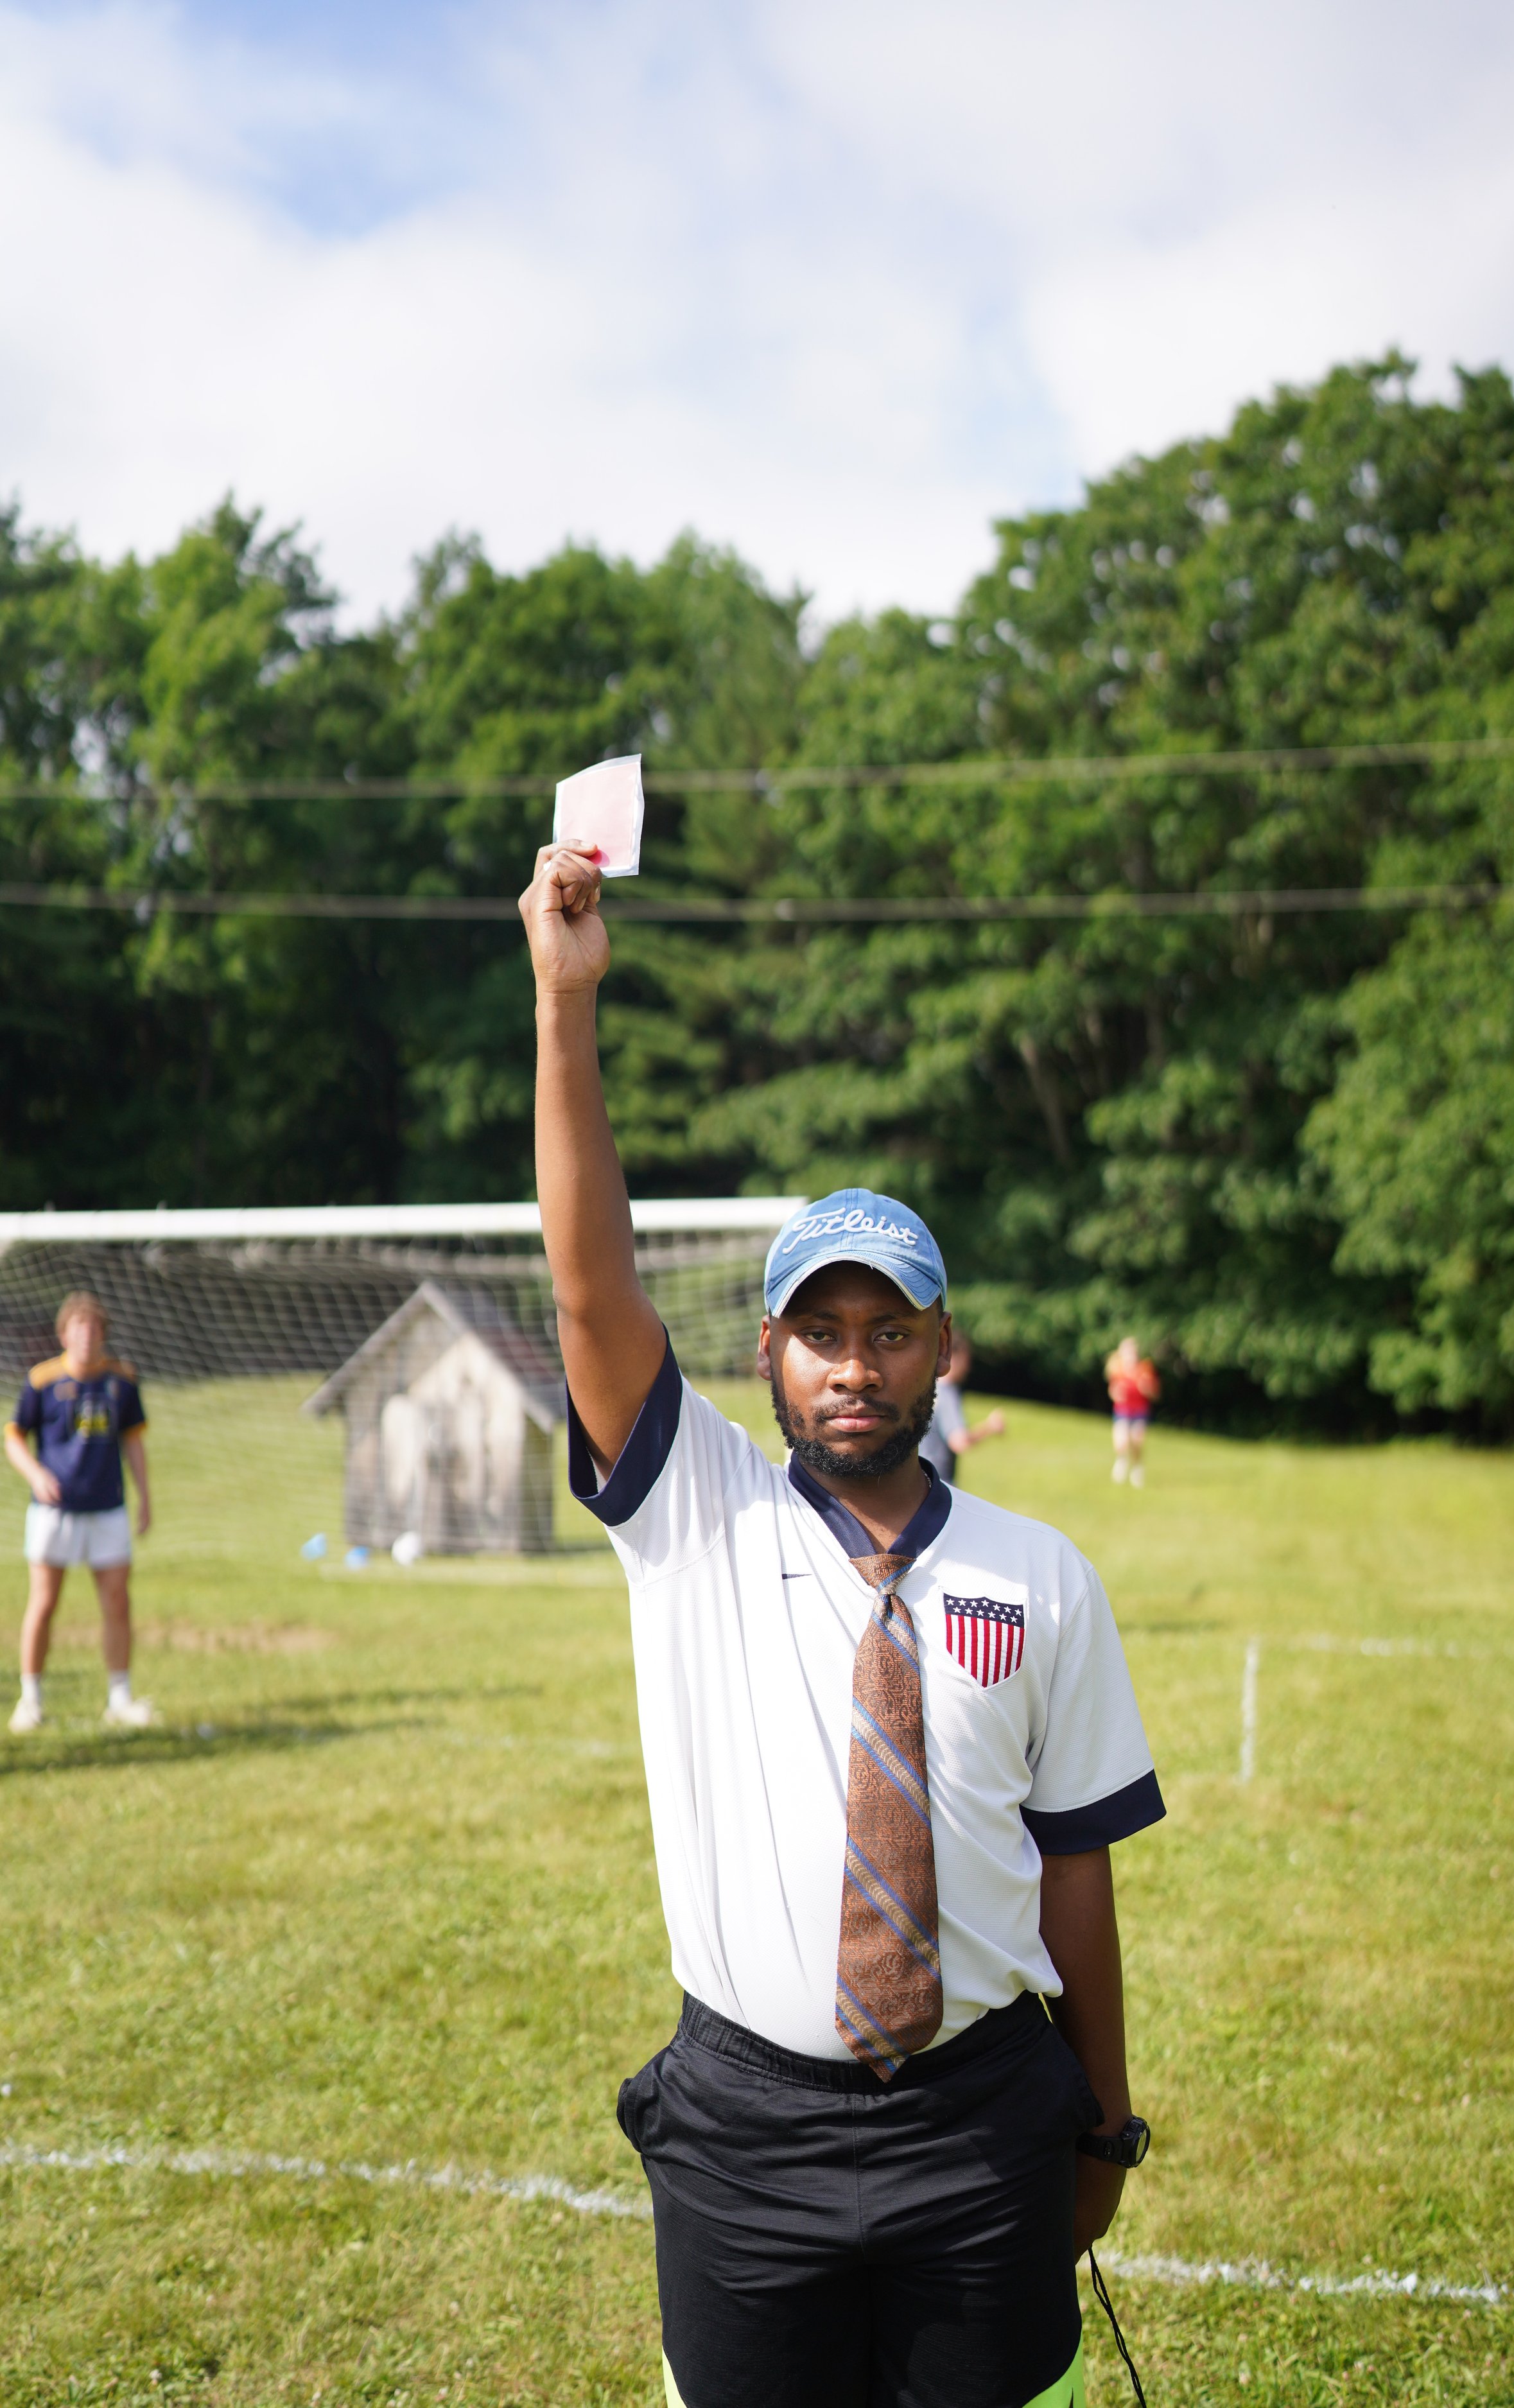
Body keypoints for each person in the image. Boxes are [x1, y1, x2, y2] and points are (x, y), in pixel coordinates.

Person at [521, 841, 1165, 2408]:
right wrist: (565, 1012)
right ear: (769, 1353)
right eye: (820, 1331)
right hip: (750, 2121)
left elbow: (1071, 1864)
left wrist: (1102, 2111)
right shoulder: (699, 1514)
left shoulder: (1042, 1571)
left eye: (889, 1330)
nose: (854, 1363)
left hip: (982, 2113)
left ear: (942, 1347)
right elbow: (593, 1282)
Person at [5, 1291, 155, 1734]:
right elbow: (14, 1436)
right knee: (45, 1603)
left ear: (103, 1335)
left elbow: (134, 1441)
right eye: (78, 1329)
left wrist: (146, 1496)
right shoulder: (42, 1381)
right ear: (64, 1334)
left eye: (93, 1329)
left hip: (107, 1508)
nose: (86, 1337)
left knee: (117, 1601)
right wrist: (35, 1474)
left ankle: (120, 1697)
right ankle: (30, 1699)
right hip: (55, 1512)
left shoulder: (122, 1381)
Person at [918, 1327, 1005, 1486]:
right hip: (939, 1484)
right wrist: (990, 1427)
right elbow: (960, 1441)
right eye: (967, 1359)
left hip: (919, 1483)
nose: (968, 1367)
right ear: (953, 1355)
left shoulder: (927, 1389)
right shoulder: (947, 1394)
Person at [1104, 1337, 1160, 1489]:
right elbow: (1113, 1391)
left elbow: (1155, 1393)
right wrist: (1117, 1394)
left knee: (1136, 1441)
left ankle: (1137, 1468)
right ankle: (1122, 1462)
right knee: (1121, 1442)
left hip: (1140, 1411)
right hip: (1123, 1410)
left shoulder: (1144, 1370)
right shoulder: (1118, 1370)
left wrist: (1146, 1388)